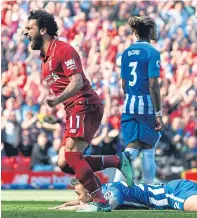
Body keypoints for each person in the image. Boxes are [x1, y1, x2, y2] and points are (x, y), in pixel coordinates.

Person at [23, 10, 133, 212]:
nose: (25, 32)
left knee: (72, 155)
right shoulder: (44, 57)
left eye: (29, 28)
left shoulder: (63, 50)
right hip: (73, 108)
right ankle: (117, 160)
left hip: (84, 104)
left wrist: (57, 99)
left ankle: (99, 200)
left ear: (44, 29)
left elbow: (77, 81)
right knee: (64, 163)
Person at [118, 16, 164, 183]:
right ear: (151, 32)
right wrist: (158, 112)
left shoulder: (126, 52)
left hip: (129, 104)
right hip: (146, 105)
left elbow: (123, 84)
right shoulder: (152, 52)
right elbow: (153, 84)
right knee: (148, 148)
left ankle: (115, 187)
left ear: (134, 32)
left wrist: (131, 100)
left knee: (131, 146)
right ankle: (149, 189)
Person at [49, 177, 197, 212]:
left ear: (89, 191)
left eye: (78, 194)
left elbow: (107, 205)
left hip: (170, 195)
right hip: (173, 190)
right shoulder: (104, 190)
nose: (78, 198)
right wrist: (66, 205)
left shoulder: (111, 191)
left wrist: (71, 209)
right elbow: (87, 201)